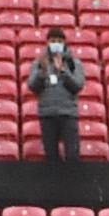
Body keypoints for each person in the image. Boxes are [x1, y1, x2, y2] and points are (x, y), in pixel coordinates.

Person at [25, 26, 86, 165]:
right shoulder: (40, 63)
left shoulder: (73, 63)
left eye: (59, 40)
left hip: (68, 113)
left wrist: (63, 71)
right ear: (47, 42)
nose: (56, 43)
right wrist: (42, 72)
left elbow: (78, 85)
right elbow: (32, 86)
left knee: (72, 155)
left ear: (64, 43)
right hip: (47, 114)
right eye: (53, 40)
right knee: (51, 157)